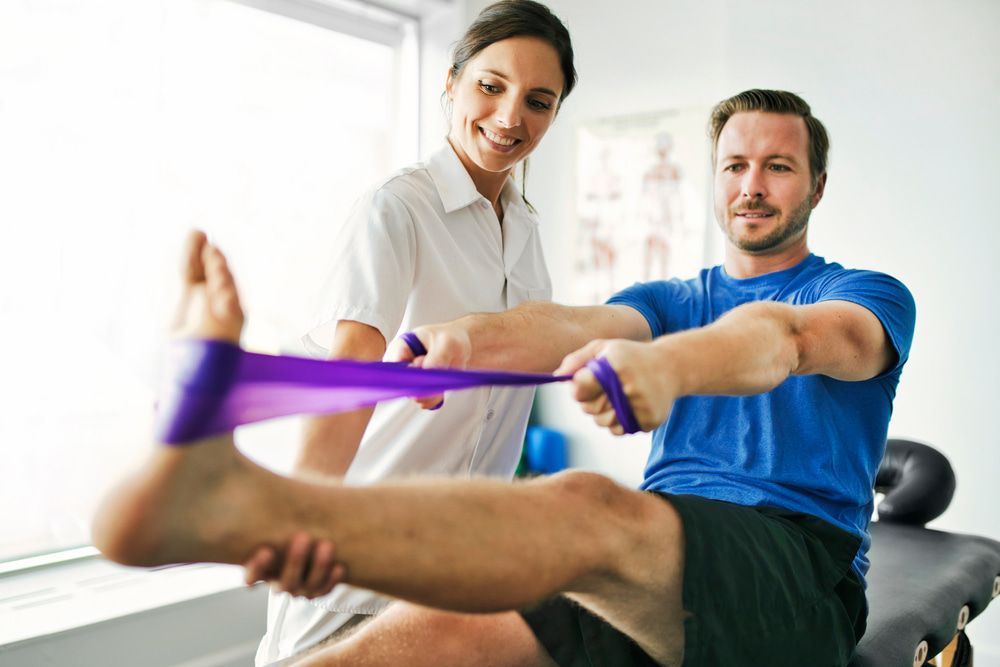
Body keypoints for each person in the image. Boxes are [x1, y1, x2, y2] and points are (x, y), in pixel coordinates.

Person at [93, 89, 915, 667]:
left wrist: (668, 365)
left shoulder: (865, 294)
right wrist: (458, 340)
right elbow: (564, 323)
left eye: (777, 166)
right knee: (419, 635)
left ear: (816, 184)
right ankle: (232, 500)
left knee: (581, 500)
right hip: (656, 570)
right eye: (735, 164)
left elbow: (790, 338)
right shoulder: (673, 297)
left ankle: (244, 506)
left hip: (797, 572)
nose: (751, 185)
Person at [251, 2, 576, 663]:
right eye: (491, 86)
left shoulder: (528, 235)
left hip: (462, 565)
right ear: (450, 83)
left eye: (538, 101)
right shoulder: (399, 207)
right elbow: (348, 377)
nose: (512, 117)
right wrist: (298, 519)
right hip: (362, 555)